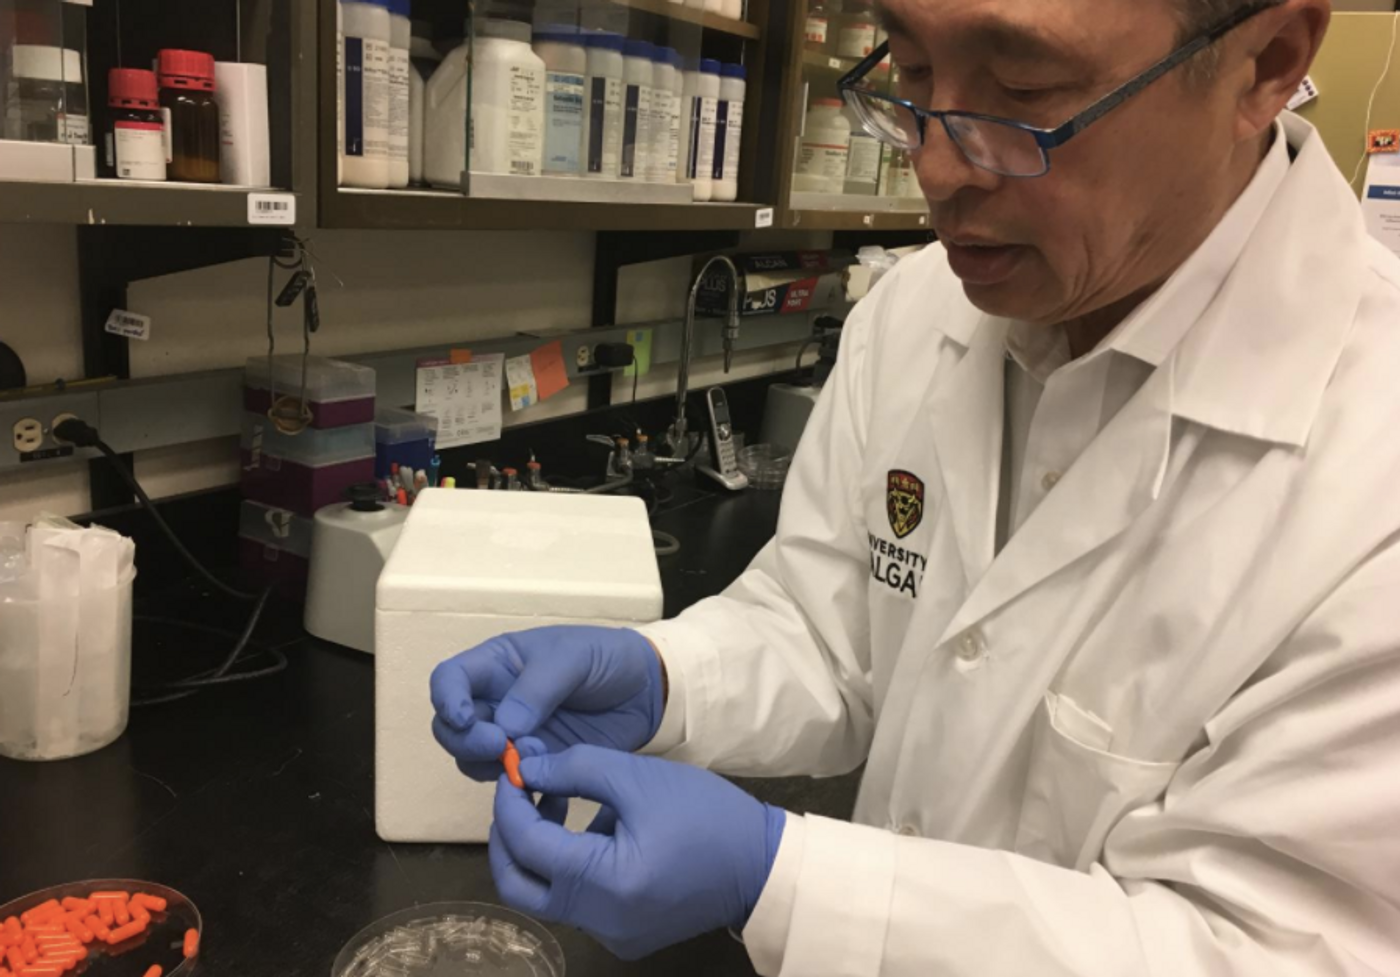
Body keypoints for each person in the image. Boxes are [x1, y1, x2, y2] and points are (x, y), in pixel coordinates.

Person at [431, 0, 1400, 972]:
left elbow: (1265, 948)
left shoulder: (1372, 462)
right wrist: (665, 680)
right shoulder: (916, 308)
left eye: (1023, 90)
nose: (934, 168)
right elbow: (833, 620)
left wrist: (783, 882)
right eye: (911, 74)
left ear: (1263, 63)